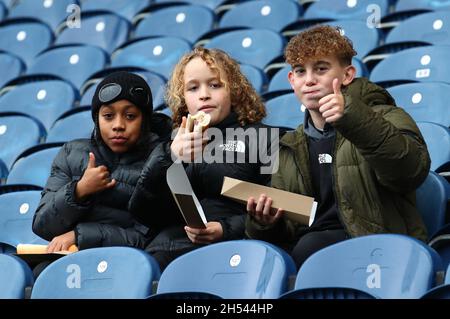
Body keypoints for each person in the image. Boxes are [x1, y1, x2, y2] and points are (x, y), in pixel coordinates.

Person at [245, 25, 431, 269]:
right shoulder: (288, 147)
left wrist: (353, 118)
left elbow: (410, 171)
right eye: (300, 71)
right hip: (310, 259)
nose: (309, 80)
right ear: (292, 81)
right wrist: (266, 222)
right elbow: (288, 231)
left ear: (347, 75)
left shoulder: (386, 116)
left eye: (321, 69)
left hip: (381, 254)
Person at [129, 47, 275, 270]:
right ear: (183, 98)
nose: (204, 94)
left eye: (215, 85)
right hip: (170, 253)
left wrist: (225, 229)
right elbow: (143, 212)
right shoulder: (171, 144)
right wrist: (169, 156)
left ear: (234, 90)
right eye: (193, 88)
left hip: (238, 253)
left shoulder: (263, 137)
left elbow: (280, 207)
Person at [32, 71, 172, 254]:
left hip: (126, 263)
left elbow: (150, 238)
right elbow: (43, 225)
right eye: (108, 116)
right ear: (96, 119)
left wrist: (79, 235)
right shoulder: (70, 154)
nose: (118, 125)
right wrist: (79, 191)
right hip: (69, 260)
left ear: (144, 120)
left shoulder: (160, 161)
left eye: (130, 116)